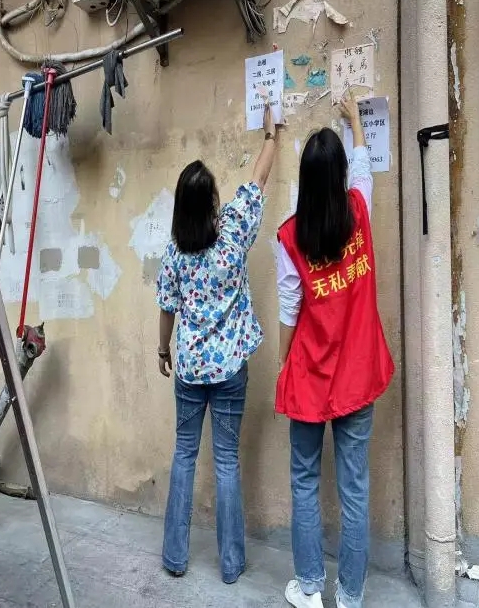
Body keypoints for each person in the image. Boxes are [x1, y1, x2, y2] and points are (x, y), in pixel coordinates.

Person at [275, 93, 394, 608]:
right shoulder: (359, 212)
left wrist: (284, 363)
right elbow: (364, 168)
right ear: (340, 176)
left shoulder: (290, 236)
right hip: (358, 373)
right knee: (354, 487)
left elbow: (288, 311)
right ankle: (349, 595)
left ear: (304, 180)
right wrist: (354, 123)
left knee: (304, 480)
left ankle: (308, 588)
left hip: (310, 373)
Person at [155, 104, 279, 584]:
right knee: (226, 461)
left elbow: (166, 308)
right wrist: (271, 136)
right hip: (229, 372)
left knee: (184, 455)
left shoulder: (174, 253)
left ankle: (174, 557)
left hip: (189, 371)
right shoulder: (232, 236)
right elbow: (258, 180)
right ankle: (231, 564)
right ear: (211, 205)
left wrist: (163, 350)